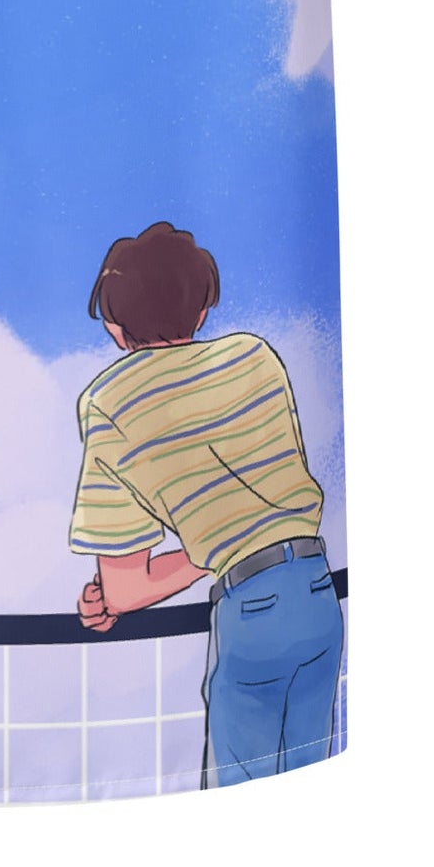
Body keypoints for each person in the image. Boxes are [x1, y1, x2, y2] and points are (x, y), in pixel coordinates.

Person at [68, 222, 343, 784]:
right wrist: (229, 539)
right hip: (319, 593)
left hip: (251, 613)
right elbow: (263, 509)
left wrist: (205, 553)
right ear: (200, 311)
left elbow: (124, 588)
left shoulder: (108, 402)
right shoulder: (256, 357)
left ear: (115, 329)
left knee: (237, 793)